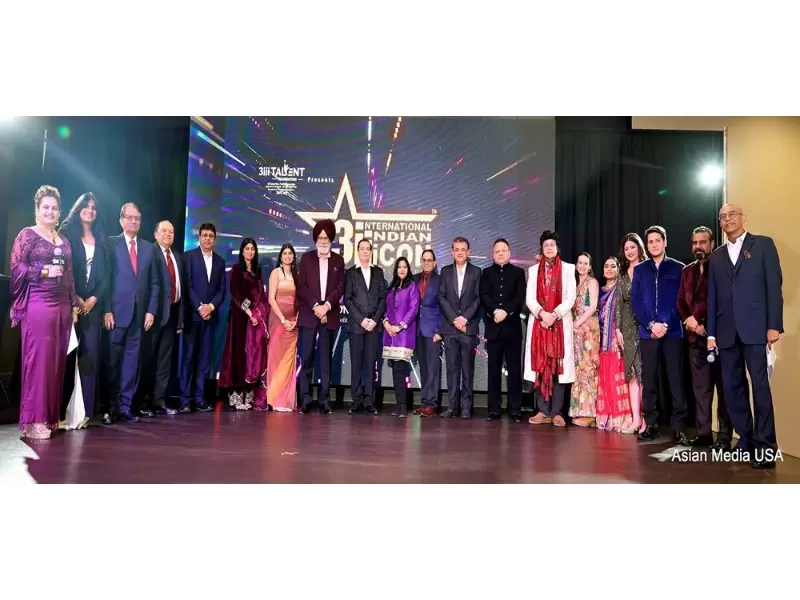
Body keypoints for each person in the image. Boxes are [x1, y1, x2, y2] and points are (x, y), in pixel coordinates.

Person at [707, 204, 783, 469]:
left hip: (756, 329)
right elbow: (712, 298)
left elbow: (774, 287)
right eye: (723, 217)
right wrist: (711, 335)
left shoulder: (763, 245)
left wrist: (774, 325)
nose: (727, 219)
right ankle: (747, 441)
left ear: (742, 218)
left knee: (760, 388)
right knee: (732, 390)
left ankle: (766, 448)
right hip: (726, 332)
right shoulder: (716, 256)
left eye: (732, 215)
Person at [10, 185, 79, 440]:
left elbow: (70, 276)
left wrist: (73, 305)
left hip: (62, 307)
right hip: (38, 304)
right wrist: (43, 271)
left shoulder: (64, 241)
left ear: (60, 212)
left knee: (55, 364)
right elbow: (16, 267)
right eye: (46, 207)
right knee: (38, 361)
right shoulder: (27, 234)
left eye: (55, 208)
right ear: (37, 210)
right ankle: (34, 420)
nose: (50, 211)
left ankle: (49, 418)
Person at [676, 226, 732, 450]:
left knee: (724, 388)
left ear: (712, 244)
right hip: (694, 340)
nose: (698, 246)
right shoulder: (687, 271)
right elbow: (681, 299)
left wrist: (698, 320)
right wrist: (688, 319)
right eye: (695, 242)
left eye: (703, 242)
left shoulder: (720, 267)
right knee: (701, 389)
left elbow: (717, 299)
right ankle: (704, 434)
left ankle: (724, 437)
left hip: (718, 337)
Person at [630, 225, 687, 443]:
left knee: (675, 379)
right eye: (650, 242)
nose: (654, 245)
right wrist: (651, 325)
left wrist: (666, 324)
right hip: (648, 333)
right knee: (650, 380)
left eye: (657, 240)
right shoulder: (640, 270)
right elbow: (636, 302)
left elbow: (681, 300)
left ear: (665, 242)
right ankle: (651, 424)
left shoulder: (678, 268)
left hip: (672, 333)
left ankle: (679, 427)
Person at [104, 202, 160, 423]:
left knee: (132, 363)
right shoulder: (111, 244)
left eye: (137, 218)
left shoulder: (148, 248)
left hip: (139, 316)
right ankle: (110, 407)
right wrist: (107, 310)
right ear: (121, 220)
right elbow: (106, 280)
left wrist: (151, 311)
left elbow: (154, 283)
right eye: (130, 217)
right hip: (116, 314)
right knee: (112, 363)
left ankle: (127, 407)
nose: (134, 221)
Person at [58, 192, 109, 428]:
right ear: (78, 209)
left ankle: (84, 414)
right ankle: (61, 413)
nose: (90, 210)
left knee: (89, 360)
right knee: (67, 358)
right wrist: (75, 299)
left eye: (93, 207)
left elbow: (107, 275)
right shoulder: (66, 235)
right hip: (70, 306)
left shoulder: (101, 239)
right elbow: (63, 272)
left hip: (92, 307)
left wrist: (94, 298)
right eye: (86, 206)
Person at [524, 230, 576, 427]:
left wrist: (554, 315)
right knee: (540, 365)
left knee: (558, 366)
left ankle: (557, 412)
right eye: (545, 245)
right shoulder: (533, 270)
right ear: (542, 248)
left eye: (552, 245)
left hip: (559, 323)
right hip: (539, 324)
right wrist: (542, 314)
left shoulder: (568, 269)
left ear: (557, 247)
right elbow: (529, 298)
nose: (549, 248)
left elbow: (570, 297)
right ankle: (542, 411)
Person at [297, 219, 345, 414]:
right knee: (307, 358)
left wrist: (326, 307)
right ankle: (305, 399)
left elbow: (340, 287)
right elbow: (302, 287)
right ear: (315, 239)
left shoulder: (338, 261)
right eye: (320, 238)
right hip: (310, 316)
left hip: (329, 316)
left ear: (331, 239)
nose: (323, 241)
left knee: (326, 361)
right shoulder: (306, 258)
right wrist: (316, 306)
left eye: (326, 238)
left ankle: (325, 400)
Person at [219, 238, 270, 410]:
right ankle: (236, 394)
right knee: (238, 354)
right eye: (247, 248)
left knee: (252, 355)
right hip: (239, 319)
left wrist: (257, 314)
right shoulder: (236, 270)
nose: (250, 252)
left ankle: (248, 393)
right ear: (242, 251)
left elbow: (260, 295)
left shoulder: (257, 271)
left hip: (254, 320)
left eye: (252, 249)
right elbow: (236, 294)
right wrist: (249, 312)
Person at [180, 223, 226, 413]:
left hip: (210, 318)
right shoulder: (188, 257)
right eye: (204, 235)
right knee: (189, 358)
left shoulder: (220, 261)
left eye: (210, 236)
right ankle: (185, 399)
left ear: (214, 239)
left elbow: (221, 290)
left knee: (204, 360)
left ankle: (199, 398)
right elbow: (187, 286)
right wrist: (200, 307)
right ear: (199, 237)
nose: (207, 238)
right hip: (193, 316)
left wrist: (211, 307)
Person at [141, 220, 185, 416]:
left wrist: (179, 319)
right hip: (153, 315)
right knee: (148, 359)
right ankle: (143, 401)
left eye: (171, 232)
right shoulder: (149, 252)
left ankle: (159, 400)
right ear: (156, 234)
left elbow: (181, 290)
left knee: (164, 361)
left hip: (172, 314)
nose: (168, 234)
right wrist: (149, 311)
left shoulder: (177, 256)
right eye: (164, 231)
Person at [479, 238, 526, 422]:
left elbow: (519, 297)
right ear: (493, 254)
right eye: (497, 251)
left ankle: (515, 408)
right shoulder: (486, 273)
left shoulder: (518, 273)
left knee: (514, 371)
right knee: (493, 371)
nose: (500, 253)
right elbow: (484, 296)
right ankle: (494, 408)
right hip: (493, 329)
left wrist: (505, 311)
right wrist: (494, 312)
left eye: (503, 250)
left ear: (509, 252)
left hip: (512, 329)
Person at [438, 236, 481, 419]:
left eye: (463, 249)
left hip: (468, 329)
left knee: (467, 369)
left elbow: (478, 298)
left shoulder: (476, 271)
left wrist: (465, 319)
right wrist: (455, 319)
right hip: (450, 329)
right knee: (452, 369)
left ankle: (466, 407)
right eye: (457, 249)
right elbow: (441, 298)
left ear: (468, 252)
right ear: (452, 252)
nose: (460, 252)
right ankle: (452, 407)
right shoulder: (445, 271)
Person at [344, 239, 386, 415]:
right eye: (362, 249)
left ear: (371, 251)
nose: (365, 252)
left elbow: (383, 298)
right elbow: (348, 299)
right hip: (357, 325)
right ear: (358, 251)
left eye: (368, 249)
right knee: (356, 365)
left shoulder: (378, 272)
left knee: (370, 364)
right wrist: (361, 320)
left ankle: (369, 401)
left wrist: (375, 320)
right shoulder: (351, 273)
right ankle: (357, 401)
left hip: (374, 326)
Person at [595, 257, 635, 433]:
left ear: (618, 269)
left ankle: (621, 417)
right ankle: (606, 415)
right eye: (606, 266)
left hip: (617, 339)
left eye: (613, 266)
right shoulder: (599, 291)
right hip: (600, 340)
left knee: (617, 378)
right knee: (604, 379)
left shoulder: (621, 289)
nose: (609, 269)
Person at [614, 233, 647, 433]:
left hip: (645, 326)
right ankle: (636, 419)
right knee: (632, 374)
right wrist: (618, 329)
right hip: (626, 328)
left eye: (632, 247)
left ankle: (646, 420)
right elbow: (619, 304)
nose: (629, 251)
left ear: (639, 247)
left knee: (644, 374)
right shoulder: (623, 274)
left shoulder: (648, 269)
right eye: (626, 248)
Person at [382, 257, 420, 417]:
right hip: (390, 334)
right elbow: (385, 308)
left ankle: (403, 407)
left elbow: (413, 308)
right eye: (399, 267)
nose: (402, 269)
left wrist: (400, 325)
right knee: (395, 371)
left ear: (408, 269)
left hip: (404, 334)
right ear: (396, 270)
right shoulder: (391, 288)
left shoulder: (412, 286)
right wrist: (386, 323)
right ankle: (399, 406)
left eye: (405, 267)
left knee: (400, 370)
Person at [267, 243, 300, 412]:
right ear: (281, 256)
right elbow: (271, 299)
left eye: (290, 253)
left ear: (293, 257)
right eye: (285, 253)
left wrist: (296, 320)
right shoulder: (276, 273)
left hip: (293, 323)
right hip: (278, 321)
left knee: (289, 361)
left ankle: (286, 400)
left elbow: (300, 301)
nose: (287, 256)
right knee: (276, 357)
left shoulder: (297, 275)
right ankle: (274, 399)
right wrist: (283, 320)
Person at [570, 252, 600, 427]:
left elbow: (592, 306)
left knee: (589, 367)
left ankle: (591, 412)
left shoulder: (592, 282)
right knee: (578, 368)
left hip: (588, 328)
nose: (582, 265)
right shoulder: (574, 283)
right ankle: (579, 410)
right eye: (579, 262)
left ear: (589, 266)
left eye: (585, 263)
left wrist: (578, 323)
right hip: (576, 328)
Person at [412, 249, 442, 417]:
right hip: (417, 331)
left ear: (434, 262)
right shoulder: (415, 278)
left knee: (433, 368)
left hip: (433, 331)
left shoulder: (440, 280)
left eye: (429, 260)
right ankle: (424, 402)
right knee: (423, 368)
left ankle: (432, 403)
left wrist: (439, 331)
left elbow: (444, 306)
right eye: (424, 260)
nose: (426, 262)